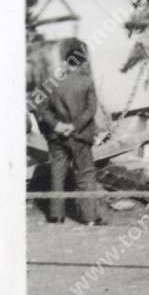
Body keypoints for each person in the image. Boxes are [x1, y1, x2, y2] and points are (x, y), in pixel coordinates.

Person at [37, 39, 104, 225]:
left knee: (57, 174)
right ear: (82, 62)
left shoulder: (51, 83)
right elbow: (91, 110)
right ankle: (90, 218)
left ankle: (56, 216)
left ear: (66, 62)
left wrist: (57, 125)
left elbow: (42, 109)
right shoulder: (87, 82)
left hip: (57, 137)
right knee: (85, 174)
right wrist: (74, 126)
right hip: (79, 136)